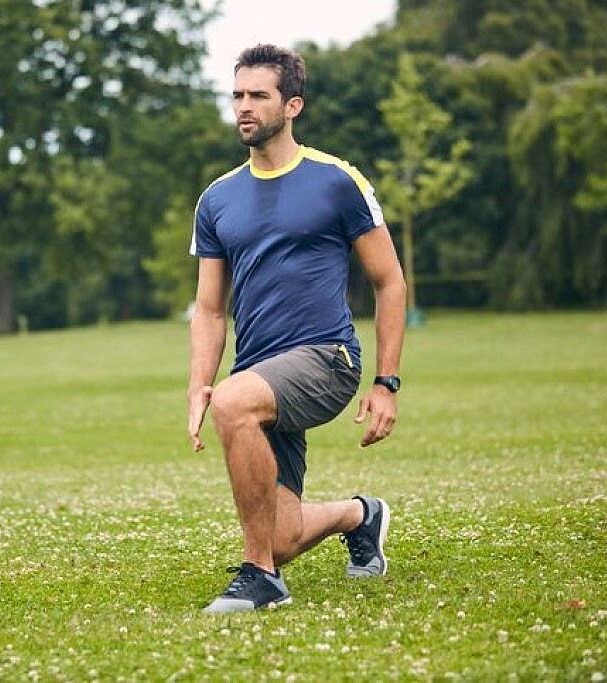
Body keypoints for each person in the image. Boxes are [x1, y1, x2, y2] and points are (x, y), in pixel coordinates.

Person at [187, 44, 407, 613]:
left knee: (234, 402)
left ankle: (260, 578)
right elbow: (210, 309)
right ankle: (359, 516)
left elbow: (389, 282)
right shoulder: (216, 199)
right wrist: (198, 385)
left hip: (328, 359)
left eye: (258, 95)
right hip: (258, 373)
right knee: (281, 536)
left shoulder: (336, 180)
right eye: (237, 95)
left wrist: (386, 382)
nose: (244, 106)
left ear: (292, 106)